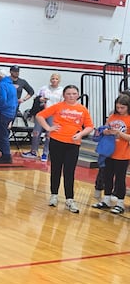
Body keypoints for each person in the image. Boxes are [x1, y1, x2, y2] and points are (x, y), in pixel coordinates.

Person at [36, 85, 94, 213]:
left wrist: (80, 134)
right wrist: (48, 128)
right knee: (56, 169)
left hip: (73, 144)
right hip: (57, 142)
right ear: (64, 95)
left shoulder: (82, 109)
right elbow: (40, 116)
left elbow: (90, 126)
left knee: (69, 171)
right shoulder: (58, 106)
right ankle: (54, 195)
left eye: (74, 93)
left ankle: (70, 199)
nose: (71, 96)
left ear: (78, 95)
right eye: (68, 94)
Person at [92, 94, 130, 215]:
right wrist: (106, 131)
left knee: (120, 179)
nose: (120, 110)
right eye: (118, 107)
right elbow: (104, 129)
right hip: (109, 152)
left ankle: (120, 203)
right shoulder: (112, 116)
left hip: (123, 154)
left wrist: (120, 133)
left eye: (122, 108)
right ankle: (106, 199)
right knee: (107, 177)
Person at [22, 73, 64, 162]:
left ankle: (46, 153)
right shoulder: (44, 88)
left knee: (49, 134)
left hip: (53, 114)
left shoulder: (61, 91)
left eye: (56, 79)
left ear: (59, 80)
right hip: (42, 113)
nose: (54, 80)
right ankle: (33, 151)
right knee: (36, 132)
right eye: (52, 78)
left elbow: (62, 104)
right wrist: (40, 99)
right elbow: (36, 98)